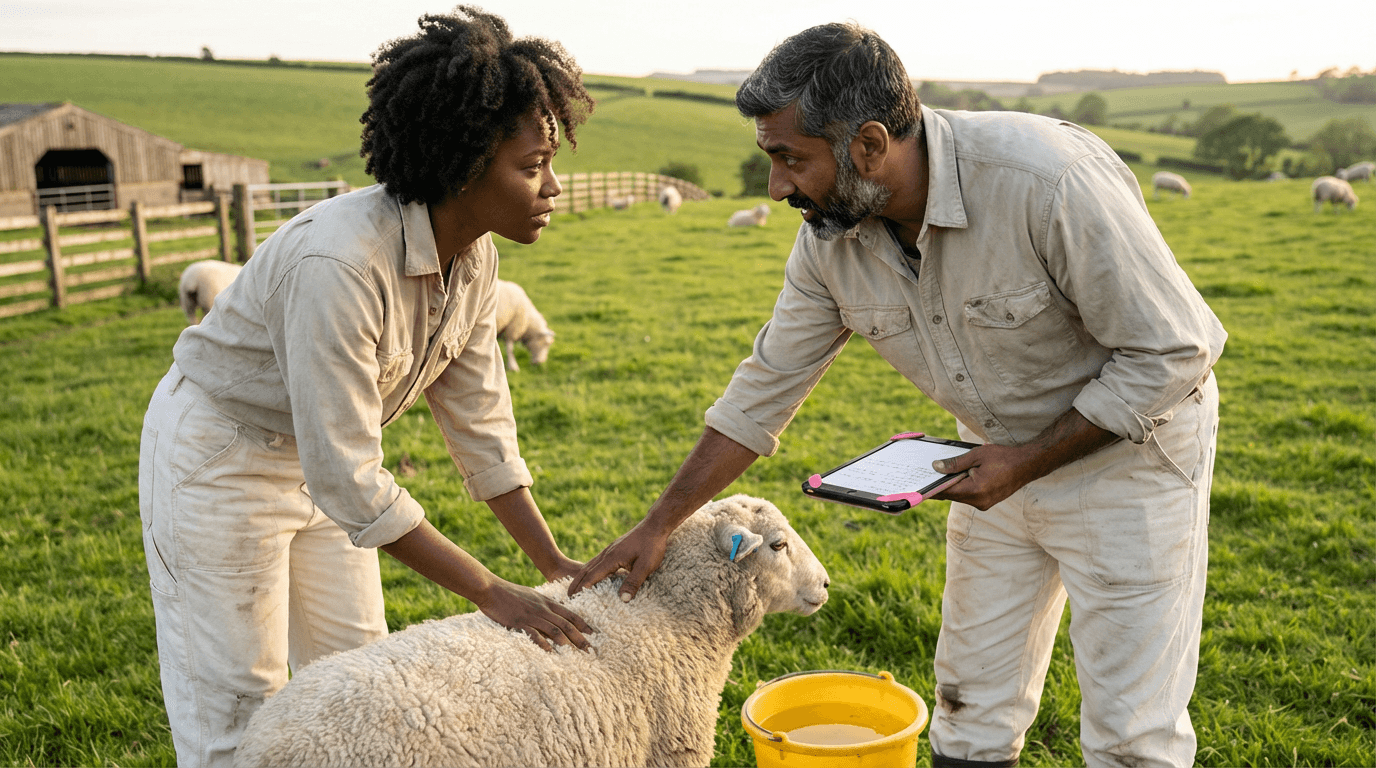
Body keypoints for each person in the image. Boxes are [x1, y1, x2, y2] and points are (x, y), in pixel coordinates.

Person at [569, 21, 1225, 768]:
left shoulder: (1048, 183)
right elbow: (763, 389)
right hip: (990, 464)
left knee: (1131, 732)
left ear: (870, 145)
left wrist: (1027, 461)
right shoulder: (829, 239)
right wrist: (661, 523)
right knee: (969, 706)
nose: (776, 187)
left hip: (1129, 461)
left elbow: (1174, 349)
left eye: (791, 159)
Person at [137, 8, 597, 766]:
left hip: (325, 463)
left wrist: (552, 567)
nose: (553, 187)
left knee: (360, 685)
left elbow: (482, 425)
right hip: (223, 458)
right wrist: (492, 592)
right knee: (238, 710)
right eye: (531, 166)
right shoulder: (342, 265)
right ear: (462, 164)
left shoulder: (476, 259)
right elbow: (348, 475)